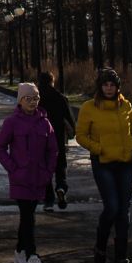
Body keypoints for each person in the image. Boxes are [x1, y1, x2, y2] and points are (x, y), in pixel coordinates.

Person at [76, 68, 132, 263]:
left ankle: (121, 257)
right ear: (100, 86)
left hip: (125, 162)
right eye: (105, 85)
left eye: (112, 85)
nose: (109, 88)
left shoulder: (126, 106)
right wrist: (98, 148)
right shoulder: (89, 107)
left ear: (117, 87)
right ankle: (101, 246)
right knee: (111, 206)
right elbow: (81, 135)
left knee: (123, 210)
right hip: (103, 163)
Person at [0, 81, 59, 263]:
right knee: (28, 216)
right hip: (21, 178)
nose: (33, 102)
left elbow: (53, 150)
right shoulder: (12, 122)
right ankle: (32, 258)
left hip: (39, 178)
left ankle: (20, 252)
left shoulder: (44, 122)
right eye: (28, 99)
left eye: (36, 98)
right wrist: (13, 169)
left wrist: (48, 172)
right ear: (20, 100)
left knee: (27, 217)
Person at [36, 71, 74, 211]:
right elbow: (70, 118)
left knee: (45, 168)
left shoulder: (36, 99)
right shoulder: (60, 97)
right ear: (53, 81)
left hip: (40, 139)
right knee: (60, 166)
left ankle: (48, 200)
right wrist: (72, 132)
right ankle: (61, 187)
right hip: (58, 137)